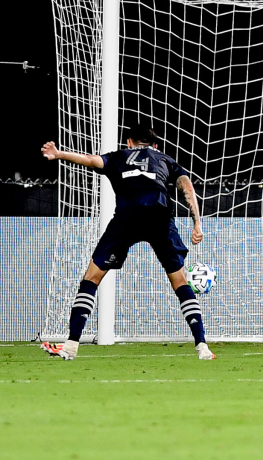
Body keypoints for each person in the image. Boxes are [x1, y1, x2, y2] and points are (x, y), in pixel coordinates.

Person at [39, 124, 214, 360]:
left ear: (129, 142)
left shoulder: (119, 156)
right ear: (155, 145)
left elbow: (90, 160)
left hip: (127, 218)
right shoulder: (165, 159)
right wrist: (197, 222)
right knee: (180, 281)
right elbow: (186, 186)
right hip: (158, 216)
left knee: (91, 278)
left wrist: (59, 154)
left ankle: (71, 345)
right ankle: (202, 346)